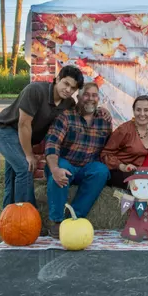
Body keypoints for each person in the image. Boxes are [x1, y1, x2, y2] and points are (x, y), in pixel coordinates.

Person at [0, 66, 84, 208]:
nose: (68, 90)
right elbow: (23, 124)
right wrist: (29, 155)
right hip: (4, 130)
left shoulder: (68, 103)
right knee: (25, 168)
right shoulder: (35, 91)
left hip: (21, 136)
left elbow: (79, 117)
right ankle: (27, 216)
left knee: (13, 176)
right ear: (57, 79)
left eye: (73, 88)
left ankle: (9, 215)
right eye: (66, 83)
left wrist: (101, 111)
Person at [44, 82, 112, 238]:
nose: (90, 98)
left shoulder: (104, 120)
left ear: (98, 98)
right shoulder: (66, 116)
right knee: (61, 166)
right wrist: (54, 169)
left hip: (86, 168)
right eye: (86, 94)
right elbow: (52, 144)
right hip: (65, 163)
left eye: (94, 95)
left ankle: (74, 217)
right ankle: (57, 221)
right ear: (79, 96)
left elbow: (109, 148)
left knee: (101, 170)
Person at [100, 95, 148, 189]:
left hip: (142, 171)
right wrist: (122, 166)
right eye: (138, 110)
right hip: (121, 171)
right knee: (139, 185)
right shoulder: (124, 130)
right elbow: (105, 154)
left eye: (146, 110)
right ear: (133, 111)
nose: (142, 114)